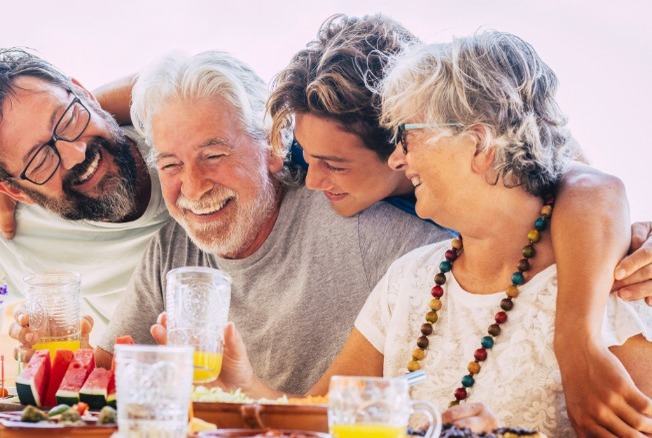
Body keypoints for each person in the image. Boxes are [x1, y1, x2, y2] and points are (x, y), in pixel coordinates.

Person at [209, 31, 652, 437]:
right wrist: (244, 386)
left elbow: (592, 182)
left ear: (478, 144)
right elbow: (323, 420)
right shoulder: (409, 279)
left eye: (407, 136)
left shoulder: (610, 286)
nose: (397, 158)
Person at [86, 50, 451, 394]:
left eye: (213, 155)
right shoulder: (171, 250)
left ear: (274, 147)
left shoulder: (367, 229)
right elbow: (100, 385)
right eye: (170, 165)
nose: (194, 189)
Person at [0, 48, 171, 387]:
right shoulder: (18, 224)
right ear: (16, 191)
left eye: (66, 119)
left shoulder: (170, 131)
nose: (75, 154)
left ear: (84, 95)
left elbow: (177, 82)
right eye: (39, 161)